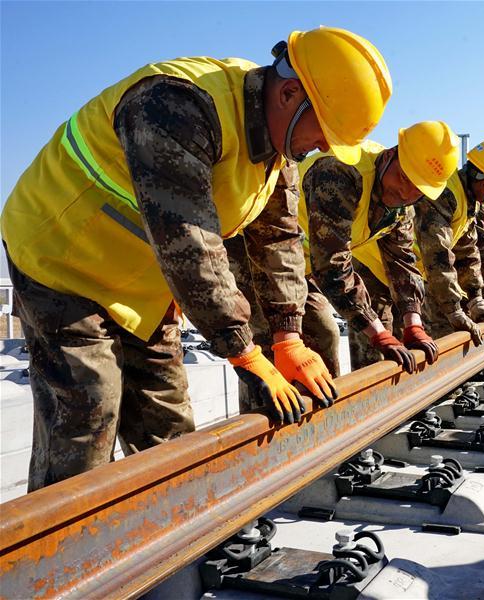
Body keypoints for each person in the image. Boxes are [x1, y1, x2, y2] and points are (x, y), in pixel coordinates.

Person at [1, 27, 392, 490]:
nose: (325, 147)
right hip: (62, 261)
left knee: (166, 425)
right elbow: (188, 240)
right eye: (325, 132)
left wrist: (288, 336)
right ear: (289, 93)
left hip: (143, 284)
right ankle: (59, 556)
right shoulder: (176, 105)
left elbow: (279, 239)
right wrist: (243, 351)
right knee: (88, 413)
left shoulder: (277, 144)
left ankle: (172, 541)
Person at [297, 121, 458, 373]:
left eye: (418, 190)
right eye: (404, 178)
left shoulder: (401, 206)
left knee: (321, 339)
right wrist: (378, 332)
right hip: (264, 255)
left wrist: (413, 322)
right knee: (307, 344)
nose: (406, 193)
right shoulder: (341, 172)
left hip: (305, 266)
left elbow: (402, 262)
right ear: (392, 154)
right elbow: (332, 265)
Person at [415, 139, 484, 346]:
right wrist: (453, 308)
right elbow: (438, 255)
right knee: (439, 331)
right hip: (380, 267)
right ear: (483, 180)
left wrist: (475, 297)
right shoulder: (447, 193)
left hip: (416, 271)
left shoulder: (469, 200)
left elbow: (467, 251)